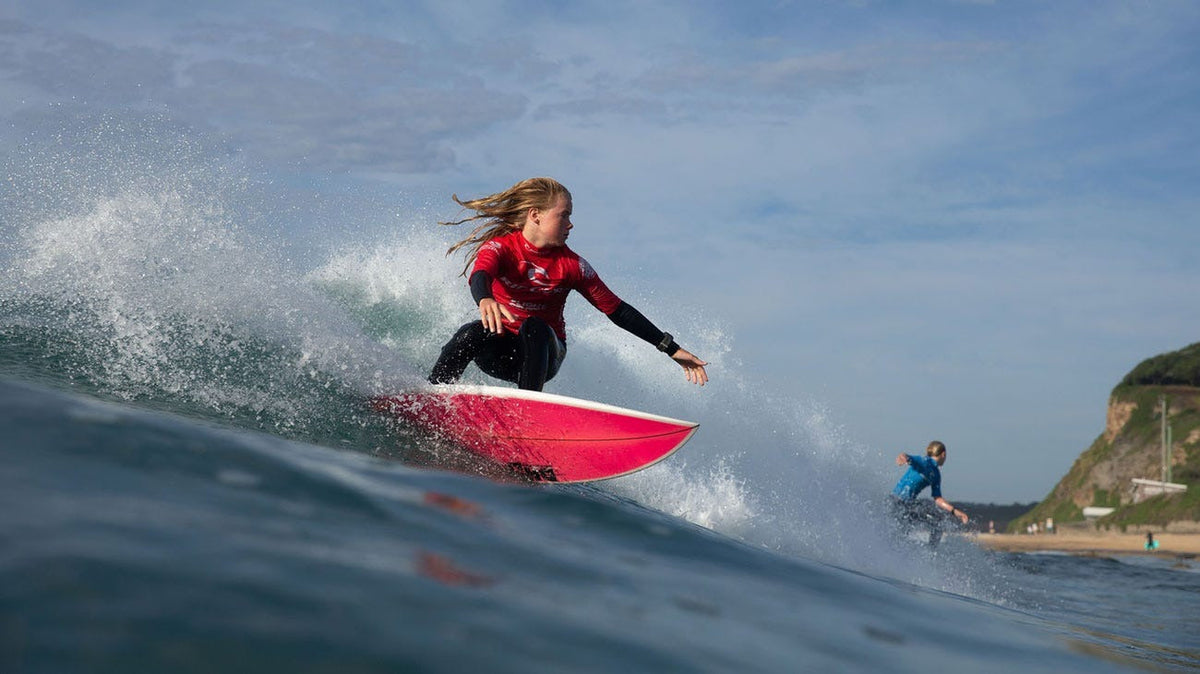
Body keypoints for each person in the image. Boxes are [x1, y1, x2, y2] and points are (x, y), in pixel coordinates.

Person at [428, 177, 709, 392]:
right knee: (471, 332)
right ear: (535, 215)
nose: (570, 224)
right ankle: (433, 394)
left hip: (545, 356)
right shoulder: (501, 248)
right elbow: (480, 275)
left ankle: (530, 406)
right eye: (564, 215)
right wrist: (485, 298)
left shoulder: (573, 266)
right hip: (498, 353)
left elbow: (618, 311)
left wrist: (671, 348)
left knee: (536, 327)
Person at [890, 441, 969, 547]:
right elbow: (907, 456)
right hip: (896, 502)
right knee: (935, 523)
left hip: (907, 506)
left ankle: (931, 552)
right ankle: (929, 551)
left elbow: (938, 499)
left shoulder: (936, 475)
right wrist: (903, 458)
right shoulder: (924, 461)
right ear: (943, 454)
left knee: (936, 523)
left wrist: (955, 512)